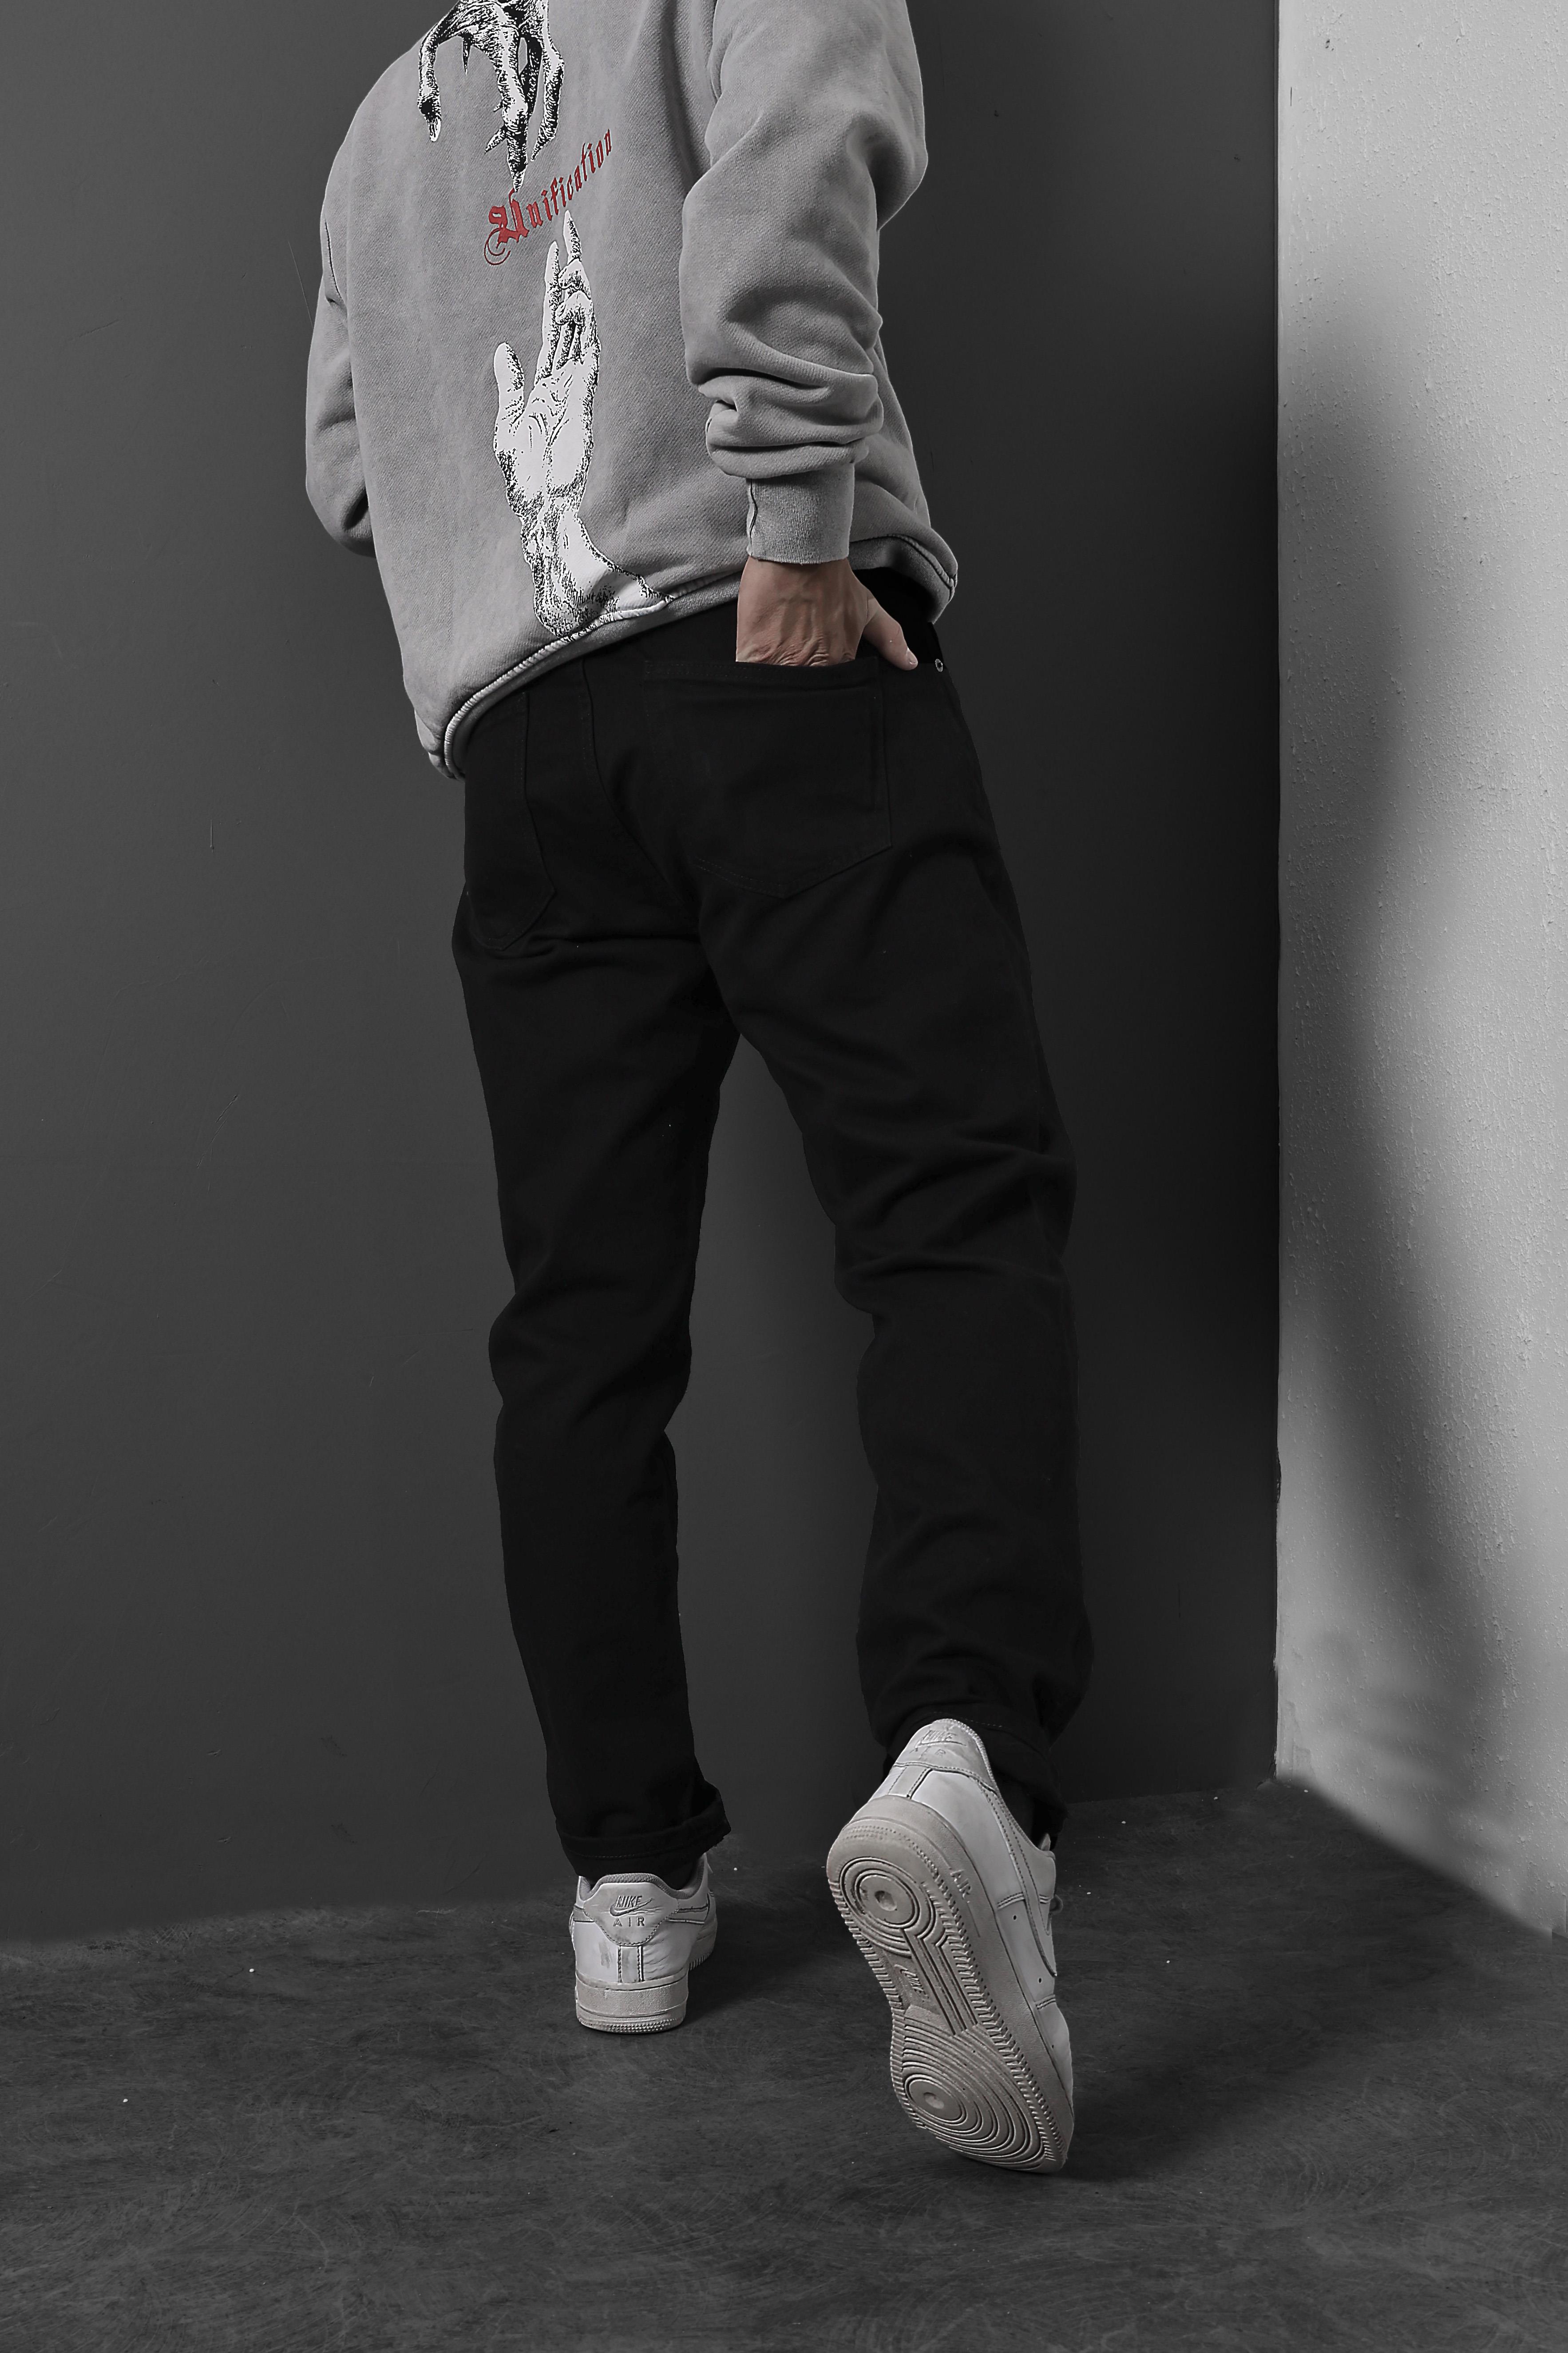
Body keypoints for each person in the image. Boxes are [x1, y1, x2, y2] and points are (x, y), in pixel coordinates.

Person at [305, 0, 1092, 2174]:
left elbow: (351, 461)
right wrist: (798, 518)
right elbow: (794, 165)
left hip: (527, 756)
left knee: (580, 1332)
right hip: (761, 624)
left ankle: (628, 1879)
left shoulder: (383, 130)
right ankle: (967, 1769)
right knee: (949, 1216)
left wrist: (496, 549)